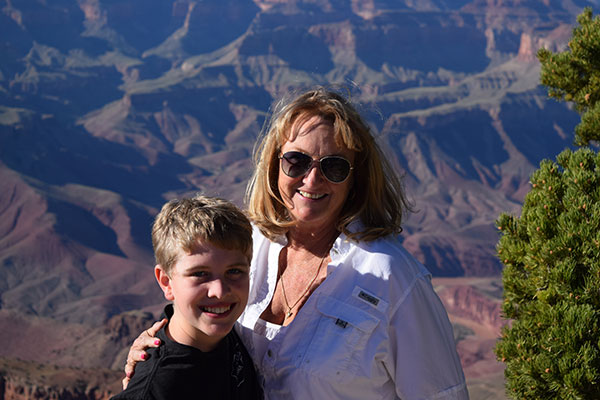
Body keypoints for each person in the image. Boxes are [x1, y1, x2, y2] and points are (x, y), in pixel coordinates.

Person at [123, 87, 469, 399]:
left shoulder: (392, 276)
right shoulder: (250, 247)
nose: (313, 178)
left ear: (356, 178)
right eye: (297, 161)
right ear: (274, 164)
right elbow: (202, 318)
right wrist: (156, 354)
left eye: (334, 167)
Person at [112, 195, 262, 400]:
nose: (219, 291)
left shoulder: (227, 336)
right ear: (166, 282)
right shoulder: (157, 389)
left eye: (234, 271)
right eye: (200, 274)